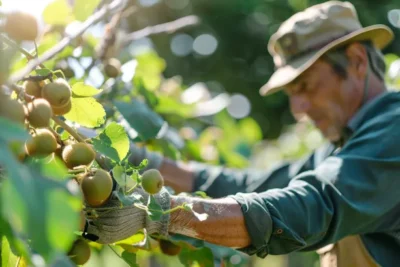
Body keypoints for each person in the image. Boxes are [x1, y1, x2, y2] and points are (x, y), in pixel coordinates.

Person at [83, 1, 400, 266]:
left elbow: (313, 206)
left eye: (305, 86)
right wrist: (135, 157)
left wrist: (159, 214)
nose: (298, 108)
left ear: (357, 61)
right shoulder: (343, 149)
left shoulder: (394, 132)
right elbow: (251, 185)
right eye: (291, 93)